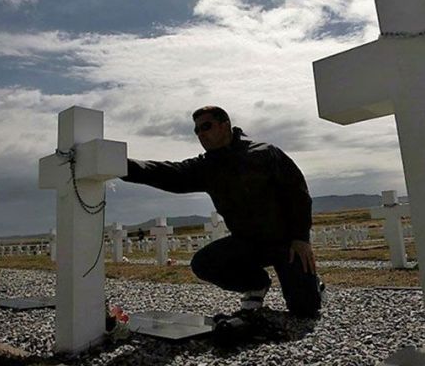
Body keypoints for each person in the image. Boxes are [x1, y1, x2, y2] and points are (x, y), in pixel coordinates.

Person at [122, 106, 321, 318]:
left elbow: (297, 193)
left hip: (286, 243)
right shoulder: (207, 167)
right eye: (196, 130)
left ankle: (314, 286)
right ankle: (256, 284)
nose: (201, 134)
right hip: (247, 243)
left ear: (225, 125)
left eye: (206, 126)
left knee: (305, 311)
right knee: (204, 263)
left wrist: (300, 238)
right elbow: (167, 173)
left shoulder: (264, 153)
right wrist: (118, 165)